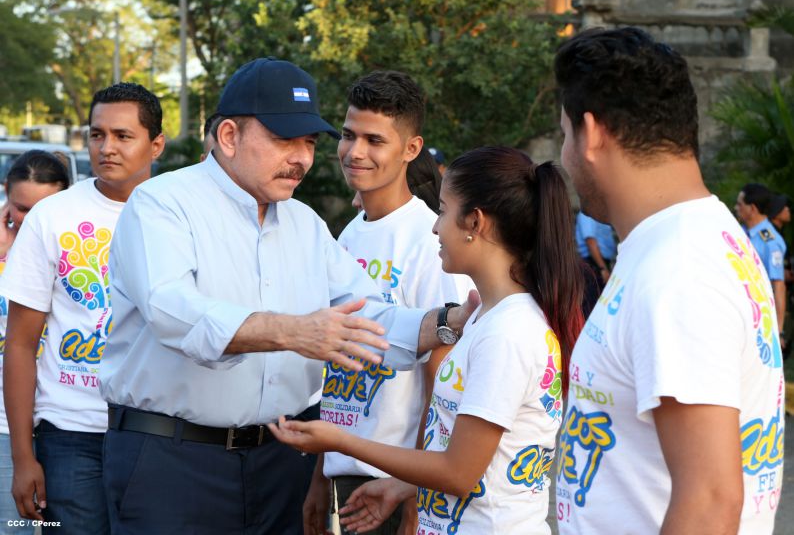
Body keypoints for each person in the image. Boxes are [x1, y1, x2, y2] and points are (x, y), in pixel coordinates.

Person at [98, 58, 477, 534]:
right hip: (174, 463)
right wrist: (294, 332)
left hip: (280, 465)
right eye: (284, 140)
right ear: (230, 136)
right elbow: (173, 312)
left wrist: (447, 321)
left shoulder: (304, 223)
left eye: (310, 142)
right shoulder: (162, 205)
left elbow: (369, 315)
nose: (302, 158)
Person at [270, 146, 585, 535]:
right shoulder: (484, 316)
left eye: (442, 211)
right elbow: (472, 455)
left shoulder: (509, 332)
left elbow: (458, 473)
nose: (435, 227)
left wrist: (341, 441)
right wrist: (401, 485)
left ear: (475, 222)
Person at [554, 27, 783, 534]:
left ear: (592, 133)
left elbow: (709, 503)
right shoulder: (697, 238)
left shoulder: (679, 271)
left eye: (565, 134)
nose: (565, 154)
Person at [305, 71, 471, 535]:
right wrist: (321, 475)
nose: (355, 152)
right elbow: (332, 366)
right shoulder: (347, 233)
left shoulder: (428, 239)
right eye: (348, 135)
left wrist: (414, 492)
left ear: (411, 149)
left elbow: (443, 374)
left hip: (390, 480)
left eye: (375, 140)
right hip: (343, 467)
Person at [0, 83, 164, 532]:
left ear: (156, 144)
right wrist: (22, 456)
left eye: (122, 135)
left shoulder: (180, 216)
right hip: (69, 434)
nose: (106, 147)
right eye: (96, 135)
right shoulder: (52, 217)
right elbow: (19, 344)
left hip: (158, 433)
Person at [0, 151, 70, 533]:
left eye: (45, 208)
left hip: (61, 423)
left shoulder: (77, 243)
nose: (34, 220)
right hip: (5, 429)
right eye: (22, 208)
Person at [736, 183, 786, 347]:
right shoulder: (739, 231)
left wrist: (778, 329)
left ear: (752, 209)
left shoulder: (770, 243)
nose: (736, 208)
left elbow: (778, 285)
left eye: (740, 204)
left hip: (757, 318)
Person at [575, 211, 616, 287]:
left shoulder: (598, 215)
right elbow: (590, 242)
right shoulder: (587, 214)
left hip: (601, 263)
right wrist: (602, 269)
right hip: (594, 264)